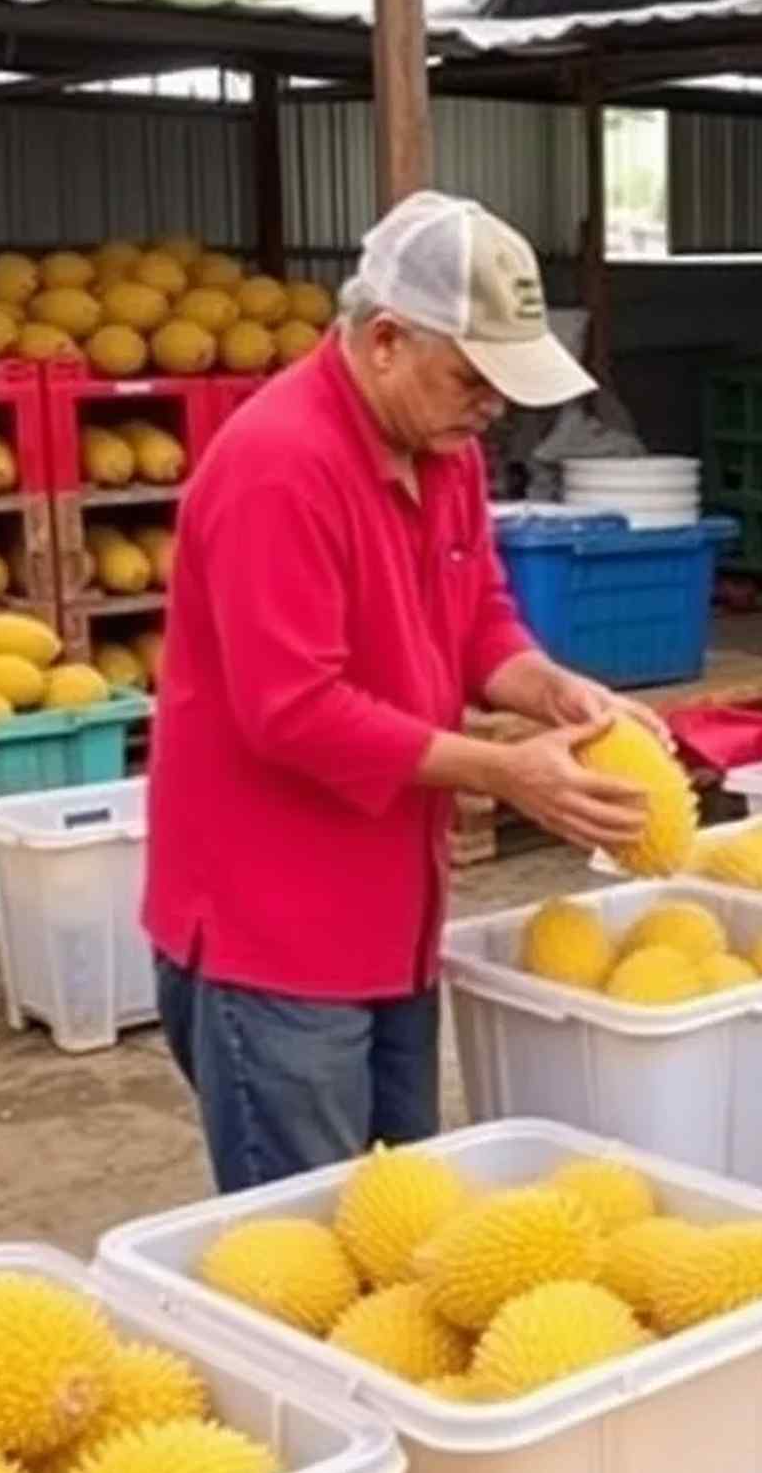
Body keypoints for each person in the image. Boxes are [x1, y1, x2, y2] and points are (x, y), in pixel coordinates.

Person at [145, 190, 665, 1192]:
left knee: (402, 1218)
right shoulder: (279, 469)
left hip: (391, 910)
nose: (494, 408)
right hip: (275, 934)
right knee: (307, 1251)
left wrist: (551, 689)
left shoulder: (447, 451)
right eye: (473, 377)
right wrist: (504, 771)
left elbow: (478, 616)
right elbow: (291, 709)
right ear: (385, 340)